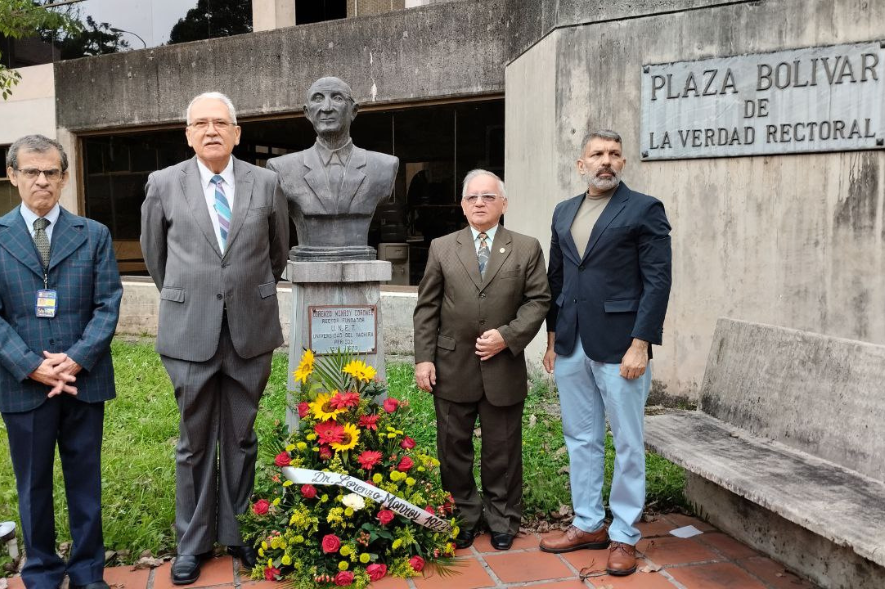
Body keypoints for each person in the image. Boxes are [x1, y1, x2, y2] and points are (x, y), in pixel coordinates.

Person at [140, 92, 289, 584]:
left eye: (220, 123)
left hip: (251, 329)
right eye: (200, 123)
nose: (210, 130)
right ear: (187, 134)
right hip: (190, 332)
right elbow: (155, 257)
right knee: (194, 441)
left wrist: (240, 293)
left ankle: (240, 532)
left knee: (242, 436)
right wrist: (196, 296)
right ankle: (193, 541)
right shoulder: (163, 184)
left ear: (236, 133)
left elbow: (278, 252)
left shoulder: (267, 182)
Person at [539, 130, 671, 576]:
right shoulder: (563, 211)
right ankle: (589, 523)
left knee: (629, 443)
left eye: (614, 154)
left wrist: (642, 343)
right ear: (581, 164)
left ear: (624, 162)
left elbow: (657, 280)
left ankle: (624, 535)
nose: (606, 161)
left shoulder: (644, 209)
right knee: (580, 438)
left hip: (622, 346)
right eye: (597, 154)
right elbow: (557, 280)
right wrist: (553, 339)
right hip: (573, 342)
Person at [0, 134, 122, 589]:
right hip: (22, 383)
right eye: (31, 171)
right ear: (13, 176)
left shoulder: (93, 235)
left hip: (82, 381)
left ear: (65, 177)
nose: (42, 180)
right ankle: (42, 572)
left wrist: (75, 359)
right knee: (32, 487)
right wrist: (32, 365)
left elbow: (108, 304)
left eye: (52, 171)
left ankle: (89, 572)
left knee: (85, 482)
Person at [413, 169, 550, 551]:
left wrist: (507, 337)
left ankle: (503, 517)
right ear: (462, 204)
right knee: (453, 446)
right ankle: (464, 514)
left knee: (502, 449)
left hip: (502, 366)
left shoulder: (526, 247)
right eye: (472, 197)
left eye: (489, 197)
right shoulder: (442, 247)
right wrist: (424, 359)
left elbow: (538, 300)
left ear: (503, 204)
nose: (480, 203)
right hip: (452, 366)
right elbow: (427, 308)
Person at [267, 76, 398, 261]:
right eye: (318, 98)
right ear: (307, 112)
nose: (326, 108)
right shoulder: (281, 168)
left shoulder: (384, 166)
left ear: (353, 111)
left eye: (337, 98)